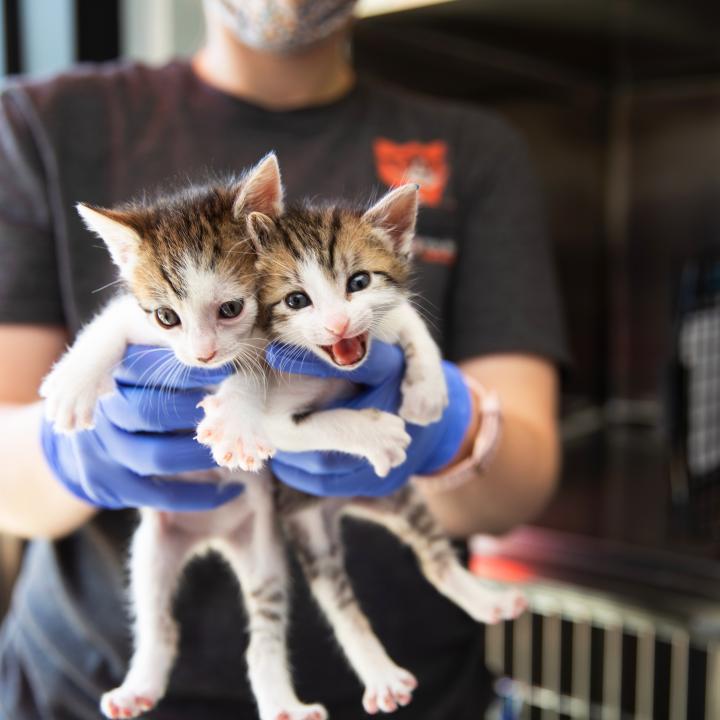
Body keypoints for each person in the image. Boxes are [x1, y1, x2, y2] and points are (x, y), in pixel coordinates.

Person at [0, 1, 566, 717]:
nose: (202, 344)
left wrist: (452, 429)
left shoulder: (477, 148)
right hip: (78, 682)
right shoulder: (39, 123)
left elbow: (526, 482)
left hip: (418, 686)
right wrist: (72, 446)